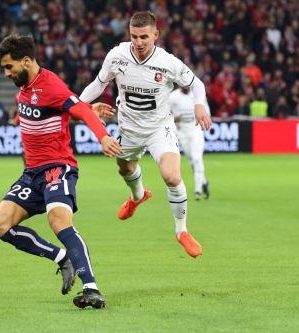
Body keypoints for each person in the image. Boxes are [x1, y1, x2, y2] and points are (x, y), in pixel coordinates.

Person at [0, 33, 123, 309]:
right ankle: (61, 258)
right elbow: (55, 110)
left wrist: (103, 136)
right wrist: (80, 108)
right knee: (0, 224)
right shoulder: (24, 87)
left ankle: (92, 288)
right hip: (32, 173)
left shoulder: (50, 84)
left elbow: (81, 112)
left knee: (59, 222)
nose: (6, 73)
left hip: (57, 168)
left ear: (26, 61)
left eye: (8, 66)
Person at [79, 11, 212, 258]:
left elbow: (196, 84)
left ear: (156, 35)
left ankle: (181, 231)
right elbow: (99, 84)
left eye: (144, 37)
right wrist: (76, 105)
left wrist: (199, 104)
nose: (138, 43)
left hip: (159, 128)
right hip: (128, 128)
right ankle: (138, 196)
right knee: (125, 169)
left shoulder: (168, 62)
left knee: (171, 177)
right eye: (134, 37)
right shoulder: (117, 56)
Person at [169, 86, 210, 201]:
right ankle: (203, 181)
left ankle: (197, 190)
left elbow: (206, 110)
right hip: (182, 130)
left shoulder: (197, 95)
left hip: (196, 128)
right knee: (192, 159)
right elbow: (166, 113)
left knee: (197, 158)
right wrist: (173, 118)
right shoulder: (173, 97)